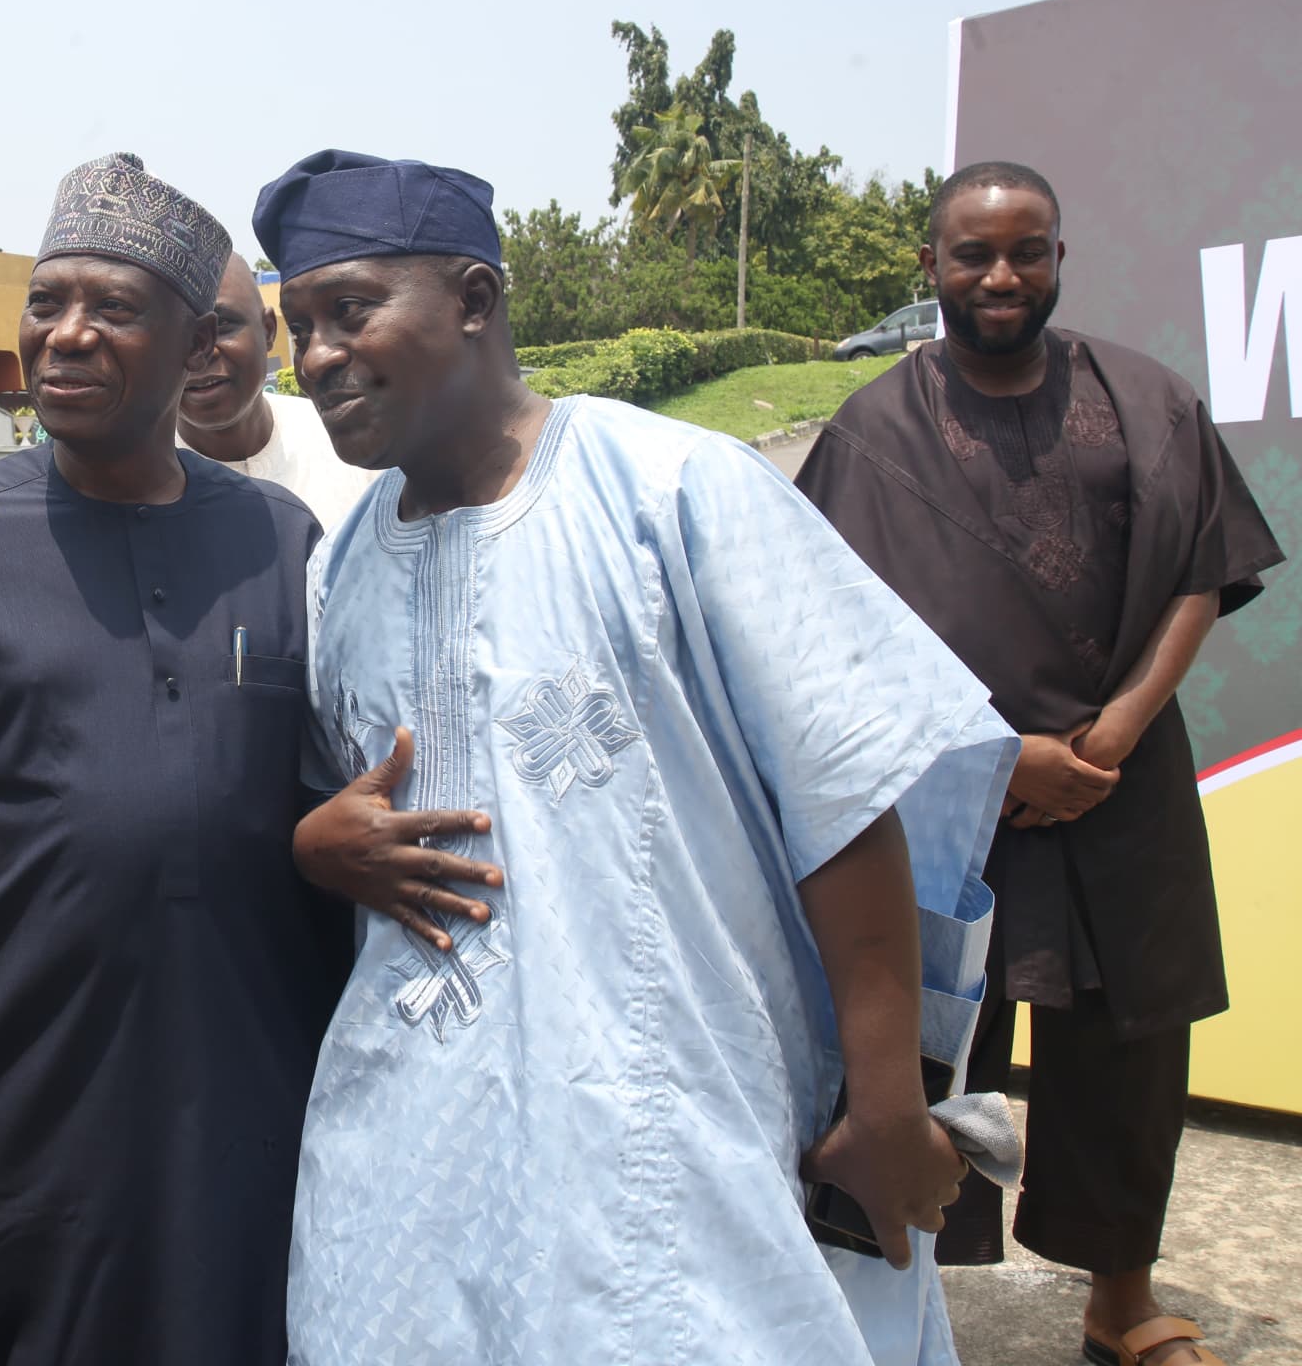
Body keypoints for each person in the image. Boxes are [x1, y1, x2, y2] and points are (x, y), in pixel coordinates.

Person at [255, 151, 1019, 1366]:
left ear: (474, 299)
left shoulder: (668, 489)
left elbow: (852, 784)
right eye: (299, 324)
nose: (320, 354)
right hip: (415, 1149)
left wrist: (885, 1102)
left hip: (666, 1128)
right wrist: (315, 846)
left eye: (352, 310)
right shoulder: (339, 570)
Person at [0, 153, 354, 1366]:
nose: (65, 335)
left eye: (114, 309)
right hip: (21, 1133)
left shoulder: (277, 540)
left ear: (197, 351)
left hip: (255, 1120)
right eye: (45, 301)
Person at [795, 162, 1283, 1366]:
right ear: (932, 269)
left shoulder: (1147, 401)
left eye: (1029, 251)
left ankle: (1123, 1303)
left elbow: (1202, 570)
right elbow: (826, 629)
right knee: (921, 1046)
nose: (1002, 276)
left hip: (1122, 788)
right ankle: (893, 1316)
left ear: (1060, 257)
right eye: (974, 254)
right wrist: (996, 756)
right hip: (947, 802)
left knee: (1127, 1050)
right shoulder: (872, 434)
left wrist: (1116, 728)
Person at [178, 251, 377, 527]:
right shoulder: (130, 481)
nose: (200, 353)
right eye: (176, 333)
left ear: (268, 330)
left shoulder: (346, 440)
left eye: (221, 325)